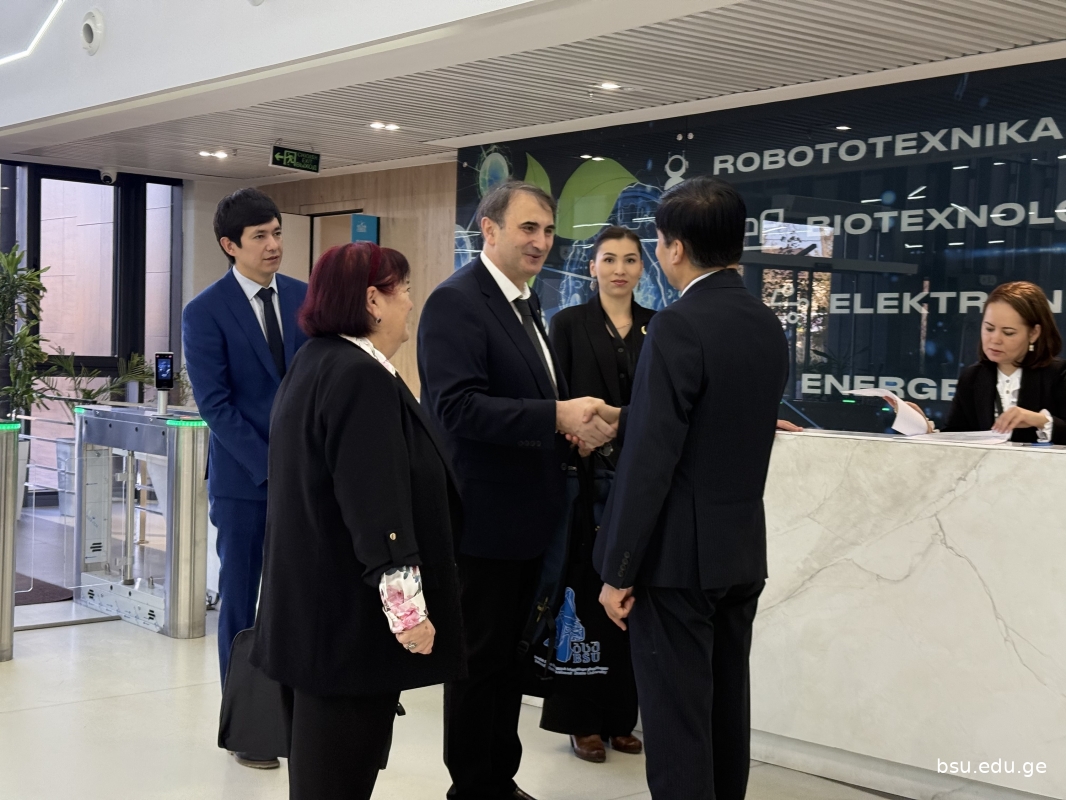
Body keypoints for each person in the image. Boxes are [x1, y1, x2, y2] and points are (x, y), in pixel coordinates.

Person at [417, 180, 617, 800]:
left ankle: (497, 779)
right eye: (528, 228)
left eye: (548, 230)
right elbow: (456, 408)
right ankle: (472, 786)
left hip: (529, 519)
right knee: (479, 662)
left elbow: (526, 400)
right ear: (490, 229)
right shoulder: (456, 302)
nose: (541, 241)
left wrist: (572, 431)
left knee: (509, 660)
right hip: (482, 521)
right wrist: (555, 416)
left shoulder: (527, 302)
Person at [593, 177, 789, 800]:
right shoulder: (766, 323)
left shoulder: (677, 325)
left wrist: (618, 569)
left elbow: (652, 459)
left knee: (678, 730)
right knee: (725, 714)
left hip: (678, 562)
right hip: (740, 552)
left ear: (674, 247)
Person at [250, 242, 464, 800]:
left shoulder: (315, 362)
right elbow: (376, 506)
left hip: (313, 616)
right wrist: (409, 612)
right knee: (338, 775)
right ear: (373, 300)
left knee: (321, 772)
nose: (411, 302)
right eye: (405, 289)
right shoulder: (358, 376)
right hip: (346, 626)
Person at [182, 188, 307, 769]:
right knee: (241, 601)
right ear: (230, 245)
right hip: (244, 483)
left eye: (277, 232)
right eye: (260, 236)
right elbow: (216, 404)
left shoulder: (305, 298)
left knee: (299, 594)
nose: (274, 245)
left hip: (306, 479)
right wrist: (271, 466)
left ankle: (300, 714)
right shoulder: (205, 311)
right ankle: (248, 727)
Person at [541, 225, 653, 762]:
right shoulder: (567, 324)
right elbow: (555, 396)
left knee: (631, 595)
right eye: (609, 259)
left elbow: (666, 403)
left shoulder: (659, 327)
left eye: (630, 260)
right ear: (592, 267)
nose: (619, 269)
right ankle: (580, 720)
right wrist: (579, 435)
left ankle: (619, 717)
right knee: (582, 593)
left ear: (643, 268)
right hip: (582, 477)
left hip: (638, 478)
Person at [898, 281, 1066, 442]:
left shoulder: (1059, 374)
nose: (995, 339)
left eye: (1008, 332)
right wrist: (926, 430)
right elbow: (956, 437)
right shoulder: (972, 378)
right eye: (989, 328)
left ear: (1034, 333)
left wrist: (1041, 421)